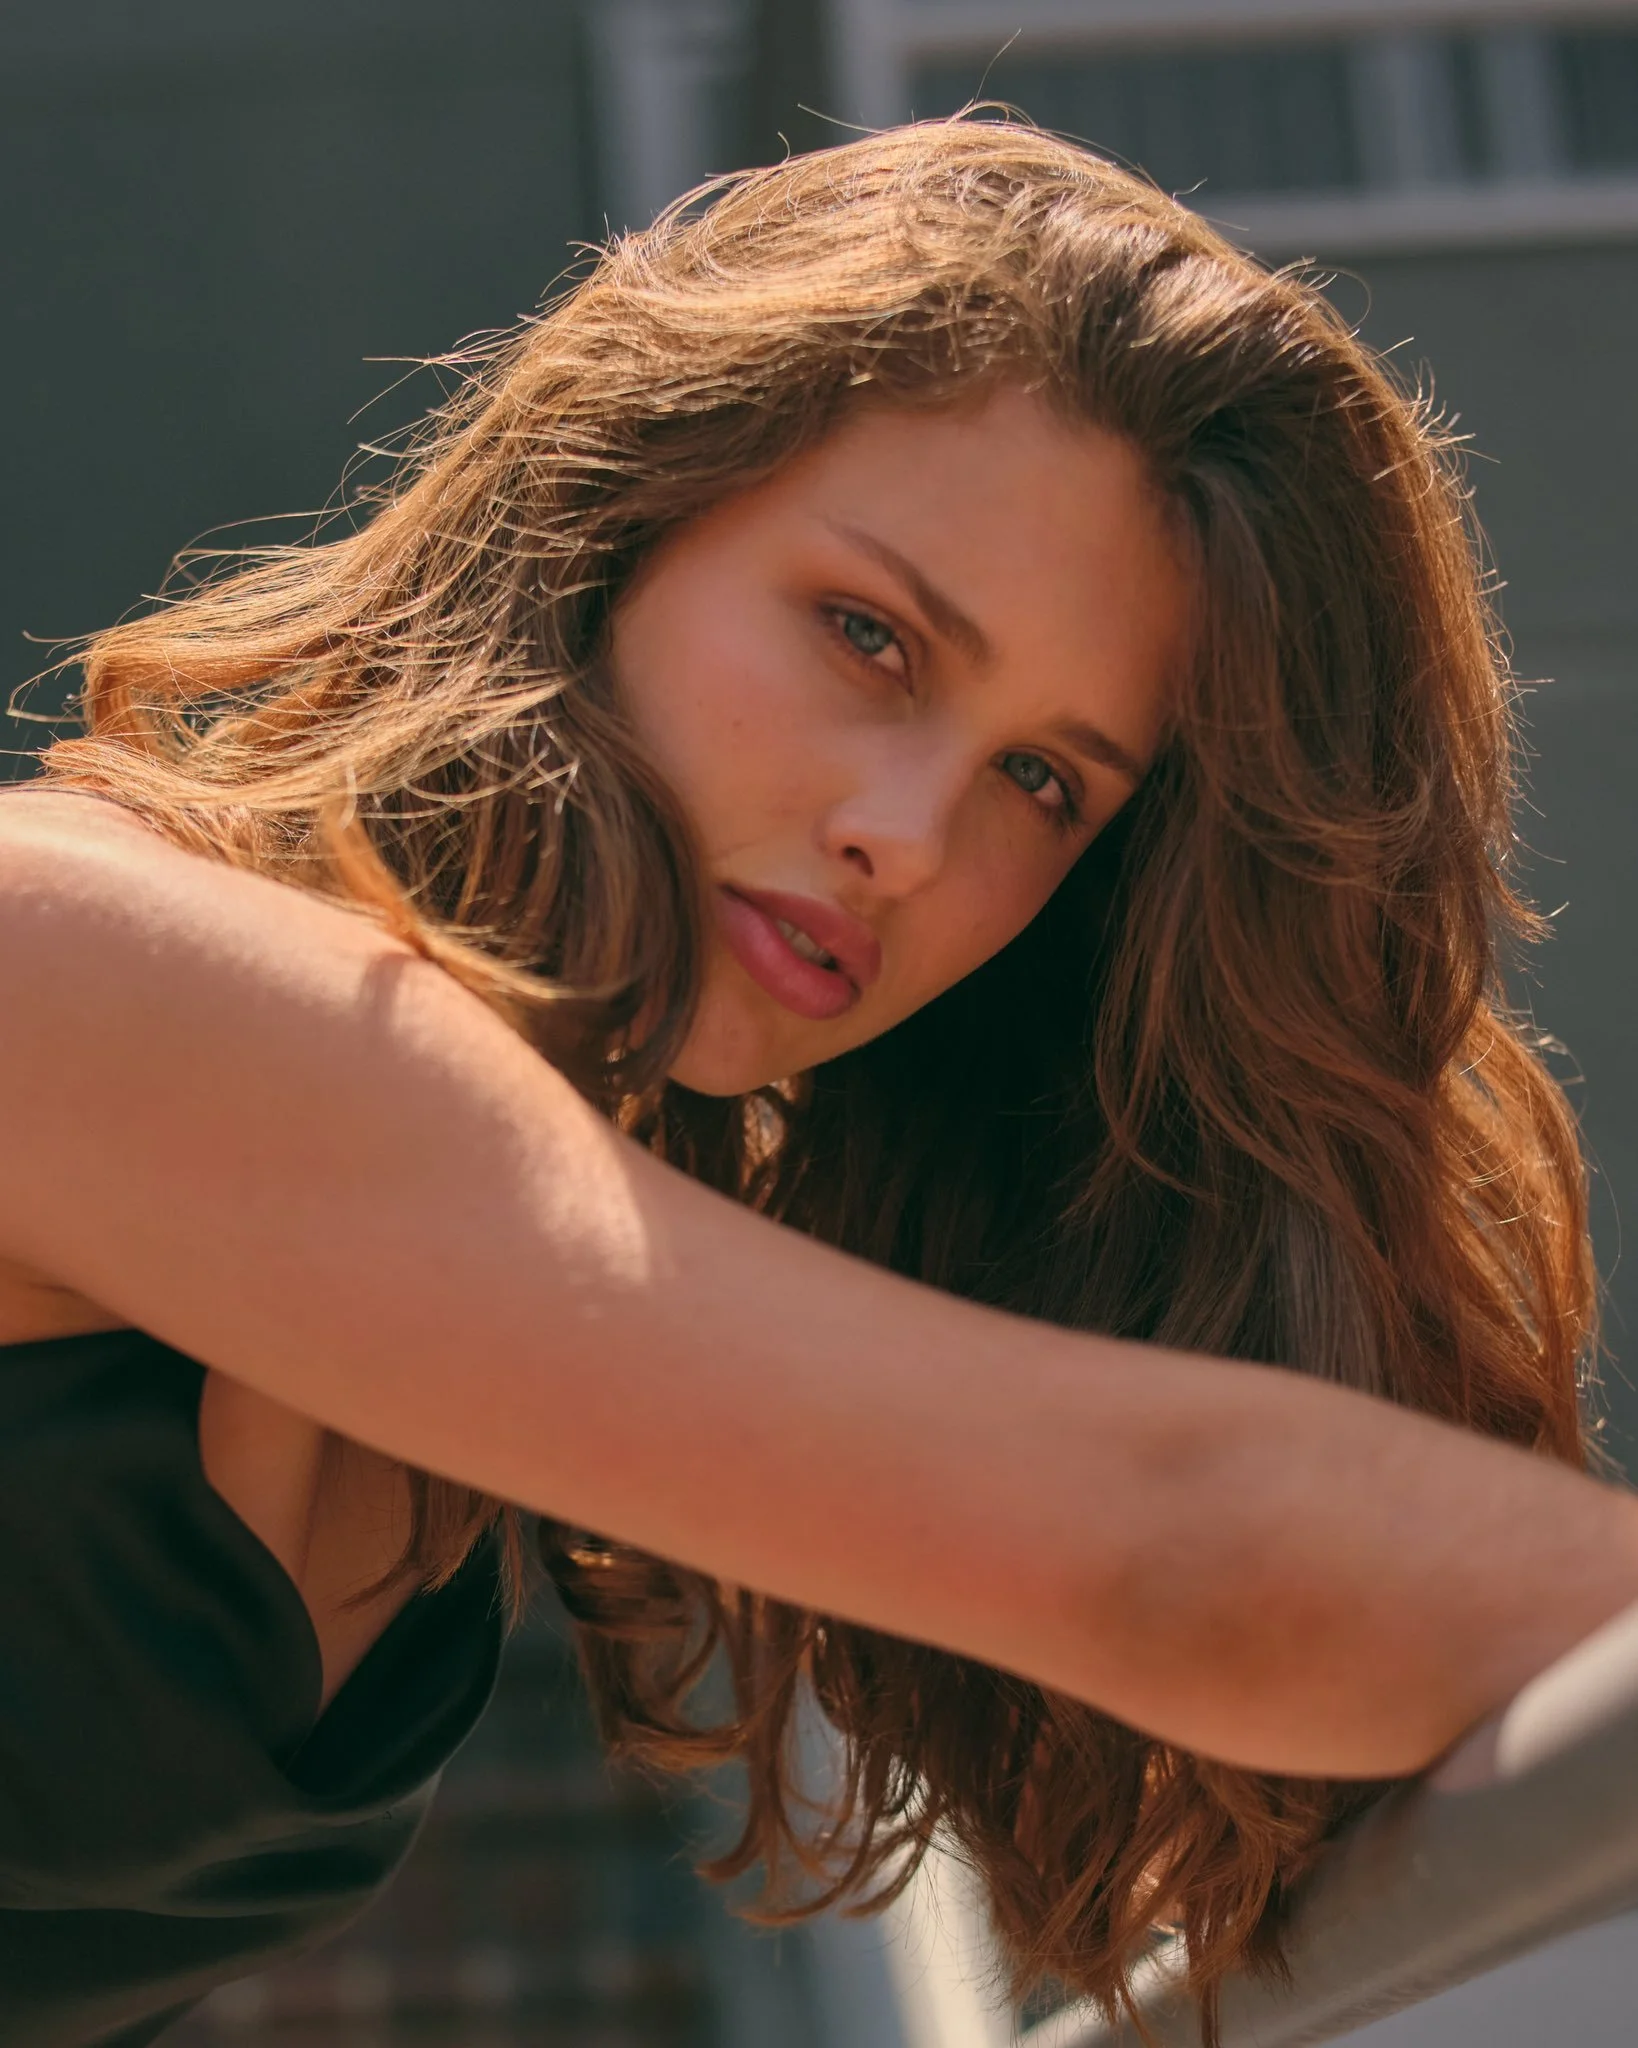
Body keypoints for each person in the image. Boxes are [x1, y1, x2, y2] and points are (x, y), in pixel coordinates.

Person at [2, 120, 1634, 2045]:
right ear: (614, 512)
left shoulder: (483, 1223)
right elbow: (1169, 1549)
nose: (907, 835)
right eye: (867, 637)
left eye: (1046, 782)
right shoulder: (85, 969)